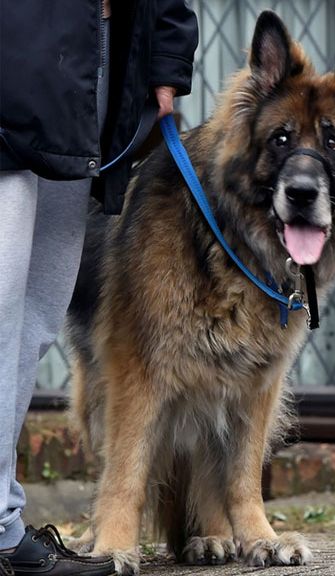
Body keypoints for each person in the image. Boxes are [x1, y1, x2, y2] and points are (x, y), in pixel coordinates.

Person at [0, 0, 198, 574]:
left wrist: (164, 57)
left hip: (100, 52)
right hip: (18, 42)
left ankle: (5, 529)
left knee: (34, 317)